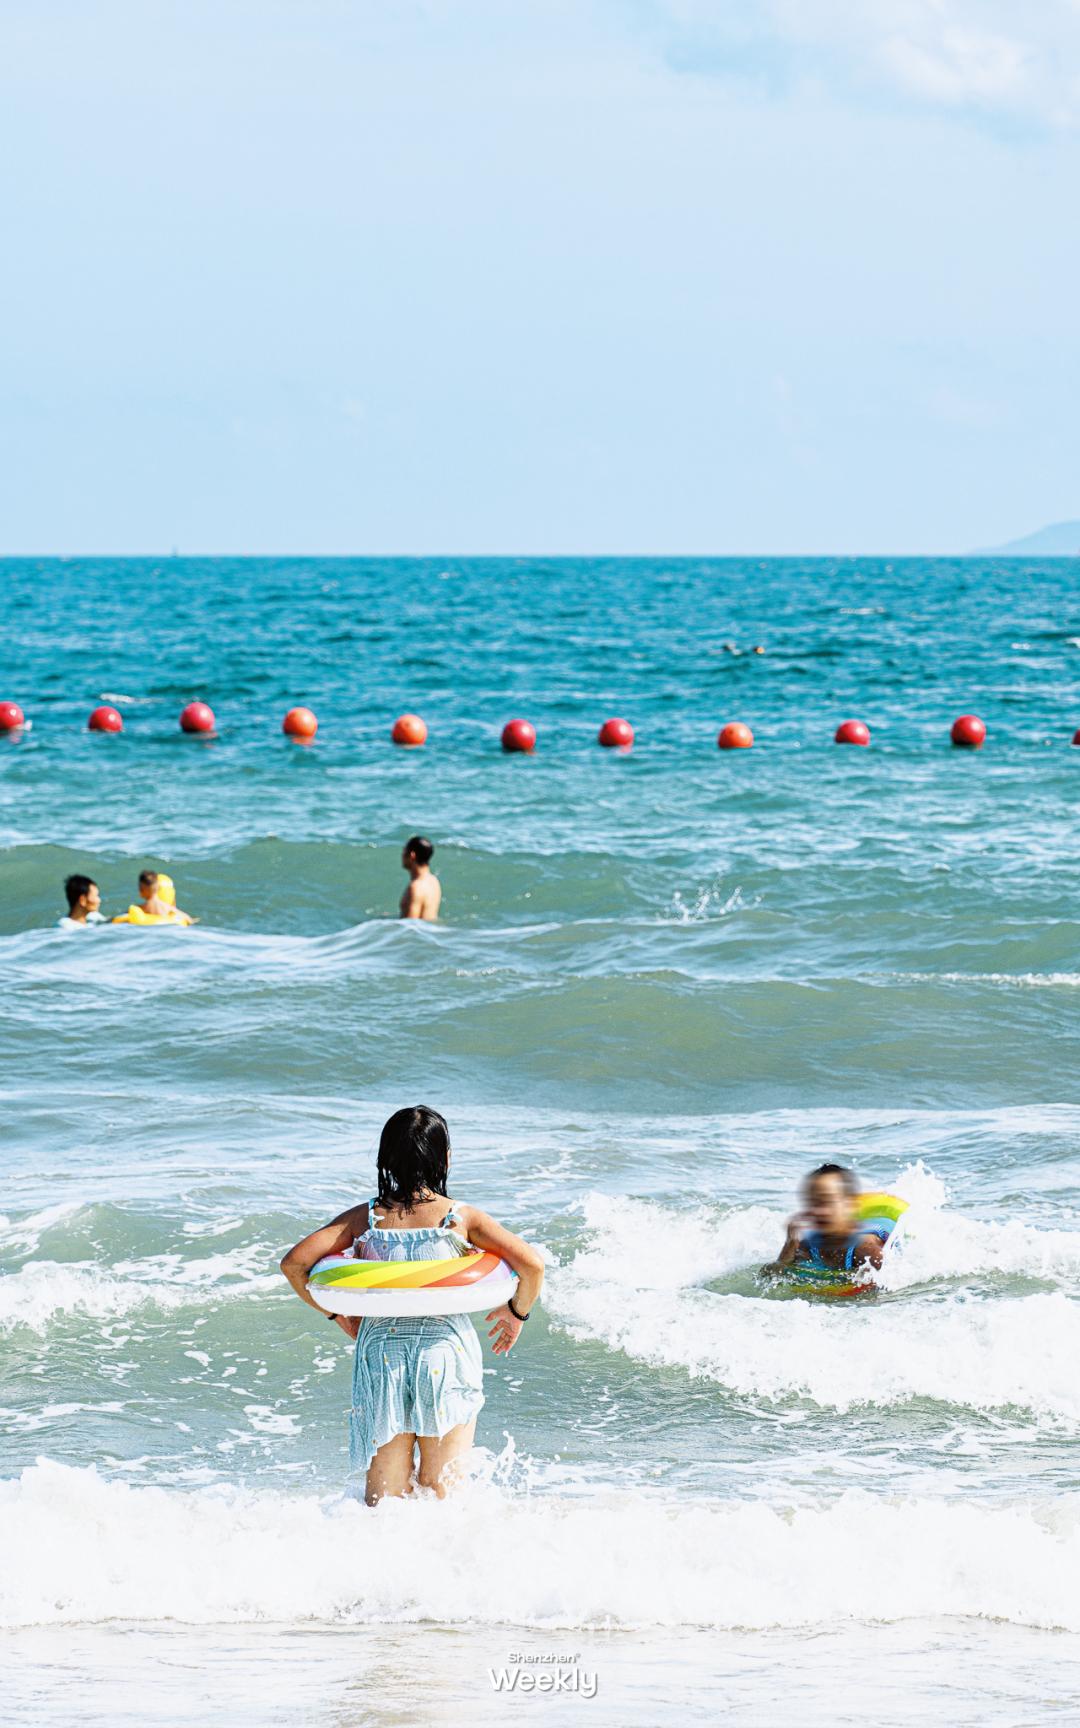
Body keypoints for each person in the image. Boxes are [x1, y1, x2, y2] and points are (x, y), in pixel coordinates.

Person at [280, 1106, 544, 1505]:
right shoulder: (460, 1218)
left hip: (381, 1354)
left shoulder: (368, 1218)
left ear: (386, 1159)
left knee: (384, 1495)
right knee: (444, 1490)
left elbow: (295, 1264)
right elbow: (532, 1265)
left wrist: (335, 1313)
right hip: (444, 1352)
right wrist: (515, 1313)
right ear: (446, 1158)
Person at [762, 1162, 888, 1277]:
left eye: (827, 1202)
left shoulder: (866, 1249)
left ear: (849, 1204)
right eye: (812, 1203)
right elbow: (767, 1278)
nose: (818, 1211)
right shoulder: (808, 1245)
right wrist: (789, 1245)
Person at [399, 835, 441, 920]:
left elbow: (410, 926)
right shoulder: (433, 881)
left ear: (412, 855)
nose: (402, 854)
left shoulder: (415, 887)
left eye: (404, 850)